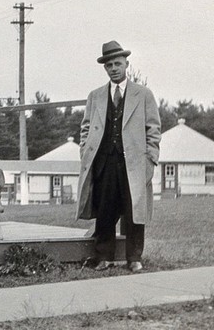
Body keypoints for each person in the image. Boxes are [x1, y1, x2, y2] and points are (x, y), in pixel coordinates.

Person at [78, 41, 161, 273]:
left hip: (134, 162)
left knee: (135, 209)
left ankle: (134, 258)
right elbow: (85, 127)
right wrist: (85, 151)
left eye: (118, 64)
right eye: (109, 65)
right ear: (105, 68)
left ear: (126, 64)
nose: (114, 68)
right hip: (104, 161)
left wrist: (150, 158)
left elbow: (153, 128)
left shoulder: (143, 94)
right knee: (105, 209)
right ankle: (103, 257)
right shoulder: (95, 96)